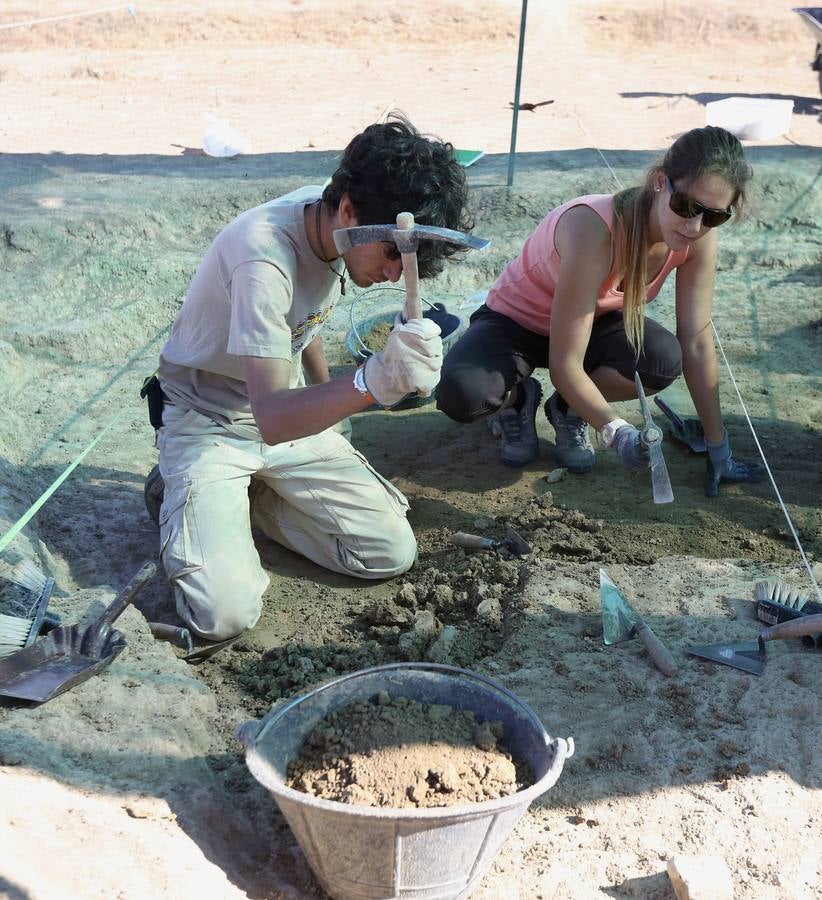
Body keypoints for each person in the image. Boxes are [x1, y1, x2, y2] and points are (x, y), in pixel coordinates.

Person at [143, 115, 472, 641]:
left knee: (387, 553)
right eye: (391, 253)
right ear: (348, 210)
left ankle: (245, 500)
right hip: (210, 419)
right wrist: (371, 381)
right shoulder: (263, 259)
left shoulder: (328, 223)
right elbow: (273, 417)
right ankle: (182, 489)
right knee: (223, 615)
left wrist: (330, 421)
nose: (394, 273)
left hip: (283, 413)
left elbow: (304, 323)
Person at [436, 125, 764, 497]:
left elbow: (697, 342)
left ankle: (569, 409)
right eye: (686, 206)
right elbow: (564, 365)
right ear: (661, 182)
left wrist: (719, 449)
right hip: (516, 323)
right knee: (462, 394)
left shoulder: (698, 238)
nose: (695, 225)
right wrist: (617, 432)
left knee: (661, 359)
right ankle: (518, 400)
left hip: (590, 324)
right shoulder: (593, 228)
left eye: (713, 217)